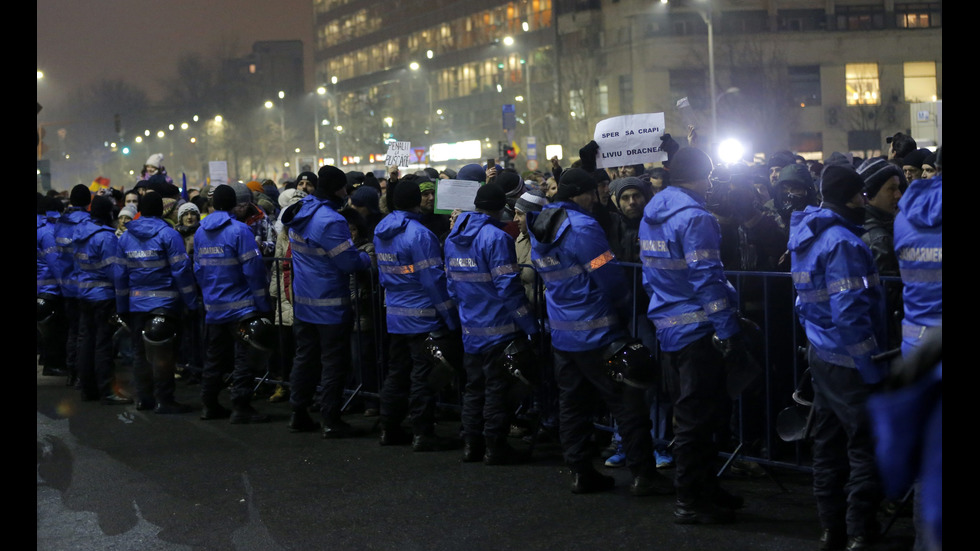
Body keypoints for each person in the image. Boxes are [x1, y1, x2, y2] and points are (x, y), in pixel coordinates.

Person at [527, 167, 671, 496]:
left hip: (563, 335)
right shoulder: (583, 227)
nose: (596, 198)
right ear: (579, 193)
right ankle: (644, 474)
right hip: (600, 333)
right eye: (592, 192)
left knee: (573, 406)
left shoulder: (539, 225)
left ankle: (580, 472)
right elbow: (609, 277)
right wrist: (626, 308)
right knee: (627, 404)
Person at [638, 147, 747, 523]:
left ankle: (706, 488)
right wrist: (727, 329)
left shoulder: (652, 214)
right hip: (699, 332)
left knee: (699, 416)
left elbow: (649, 274)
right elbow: (707, 277)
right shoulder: (696, 217)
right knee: (698, 419)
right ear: (702, 176)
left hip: (669, 329)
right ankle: (691, 500)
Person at [788, 165, 889, 550]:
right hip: (850, 363)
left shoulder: (806, 234)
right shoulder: (843, 242)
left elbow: (805, 304)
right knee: (865, 447)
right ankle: (861, 532)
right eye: (862, 195)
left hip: (823, 356)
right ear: (851, 197)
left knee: (828, 447)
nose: (865, 201)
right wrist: (870, 367)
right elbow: (850, 314)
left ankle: (832, 529)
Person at [444, 183, 539, 464]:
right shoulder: (496, 238)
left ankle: (471, 445)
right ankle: (495, 447)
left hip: (471, 328)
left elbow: (451, 285)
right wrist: (529, 325)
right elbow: (508, 287)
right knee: (497, 389)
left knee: (474, 388)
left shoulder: (453, 237)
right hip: (498, 328)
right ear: (501, 209)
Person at [280, 165, 372, 438]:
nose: (347, 193)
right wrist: (369, 258)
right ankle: (331, 419)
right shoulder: (331, 221)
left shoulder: (301, 211)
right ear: (337, 189)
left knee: (305, 359)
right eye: (344, 188)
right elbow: (348, 262)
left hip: (304, 302)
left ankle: (298, 413)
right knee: (333, 363)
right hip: (330, 305)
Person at [374, 179, 461, 451]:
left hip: (395, 315)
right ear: (416, 201)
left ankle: (389, 428)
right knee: (422, 377)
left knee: (397, 374)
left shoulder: (381, 230)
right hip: (423, 316)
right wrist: (450, 318)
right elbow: (433, 281)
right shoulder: (420, 234)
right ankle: (423, 433)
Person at [193, 184, 273, 424]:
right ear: (233, 204)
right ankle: (241, 406)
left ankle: (209, 404)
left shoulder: (200, 232)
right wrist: (262, 302)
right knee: (243, 358)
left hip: (214, 307)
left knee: (214, 357)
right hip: (242, 306)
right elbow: (254, 270)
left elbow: (198, 269)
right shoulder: (240, 231)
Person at [117, 192, 199, 413]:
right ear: (162, 211)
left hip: (136, 305)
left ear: (140, 210)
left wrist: (122, 306)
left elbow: (120, 275)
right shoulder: (169, 235)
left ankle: (144, 398)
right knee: (164, 354)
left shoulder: (125, 237)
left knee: (139, 353)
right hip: (166, 304)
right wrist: (191, 302)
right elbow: (181, 271)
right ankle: (165, 399)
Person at [72, 196, 132, 405]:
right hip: (103, 297)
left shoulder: (80, 232)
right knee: (103, 344)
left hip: (84, 294)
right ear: (108, 213)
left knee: (86, 343)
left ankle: (88, 389)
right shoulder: (106, 238)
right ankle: (107, 390)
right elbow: (115, 272)